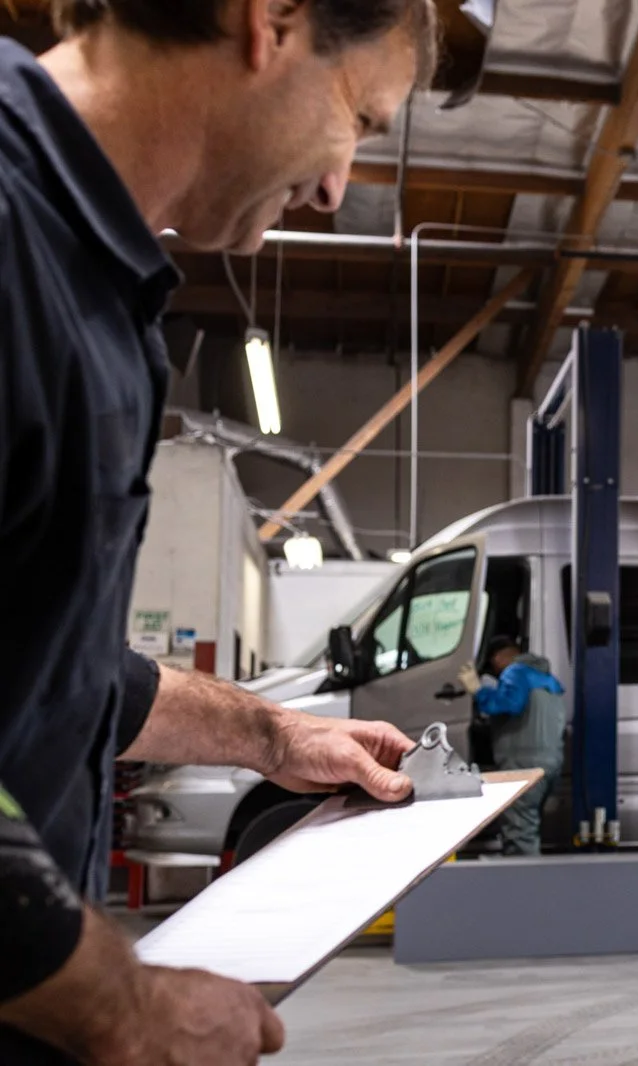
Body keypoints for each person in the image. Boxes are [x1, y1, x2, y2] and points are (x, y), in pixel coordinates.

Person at [0, 1, 437, 1063]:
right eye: (359, 117)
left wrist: (270, 737)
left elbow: (53, 672)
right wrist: (121, 1006)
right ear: (270, 20)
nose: (336, 185)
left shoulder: (89, 278)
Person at [458, 637, 566, 855]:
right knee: (528, 827)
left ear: (498, 657)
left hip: (524, 764)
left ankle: (526, 884)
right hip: (551, 763)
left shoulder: (515, 672)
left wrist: (479, 691)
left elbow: (509, 704)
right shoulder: (548, 679)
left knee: (520, 835)